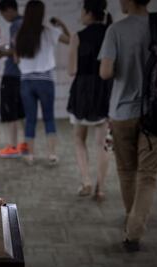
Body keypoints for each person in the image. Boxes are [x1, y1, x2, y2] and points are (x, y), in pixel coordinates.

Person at [98, 0, 157, 252]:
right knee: (148, 174)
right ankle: (134, 228)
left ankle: (131, 220)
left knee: (126, 170)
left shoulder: (116, 30)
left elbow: (106, 72)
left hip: (123, 112)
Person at [67, 0, 113, 200]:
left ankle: (86, 181)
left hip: (83, 93)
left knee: (79, 138)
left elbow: (71, 70)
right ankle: (100, 188)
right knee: (102, 143)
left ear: (87, 12)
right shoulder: (111, 32)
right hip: (106, 91)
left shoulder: (77, 37)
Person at [15, 0, 70, 165]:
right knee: (49, 118)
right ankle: (51, 154)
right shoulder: (50, 31)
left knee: (30, 119)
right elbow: (72, 40)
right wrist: (61, 24)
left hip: (26, 81)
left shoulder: (20, 34)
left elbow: (16, 59)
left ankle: (30, 155)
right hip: (45, 80)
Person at [0, 0, 28, 158]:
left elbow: (16, 51)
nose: (4, 17)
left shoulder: (16, 25)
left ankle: (12, 146)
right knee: (21, 111)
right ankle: (23, 143)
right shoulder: (26, 23)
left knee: (10, 112)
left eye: (3, 13)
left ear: (9, 9)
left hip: (12, 74)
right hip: (23, 74)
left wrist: (0, 52)